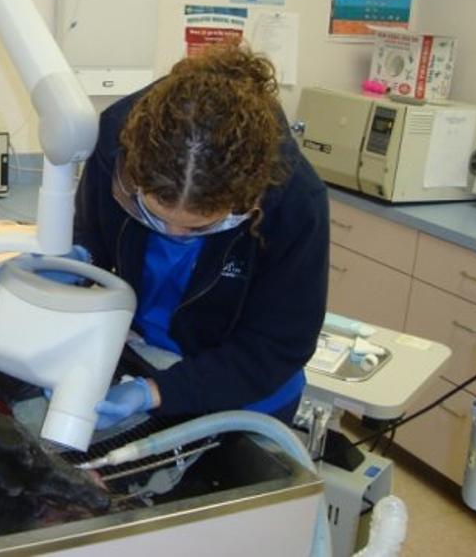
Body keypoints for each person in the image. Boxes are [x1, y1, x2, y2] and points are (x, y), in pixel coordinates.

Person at [73, 42, 329, 429]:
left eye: (199, 227)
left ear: (247, 200)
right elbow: (94, 232)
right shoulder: (116, 139)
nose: (173, 235)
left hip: (243, 381)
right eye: (153, 216)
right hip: (143, 351)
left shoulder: (295, 203)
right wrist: (77, 261)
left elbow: (276, 346)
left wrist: (157, 392)